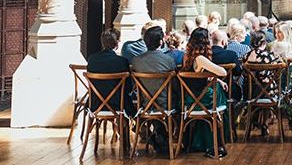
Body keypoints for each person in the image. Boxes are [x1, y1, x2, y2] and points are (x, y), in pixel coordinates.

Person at [180, 28, 230, 157]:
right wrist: (219, 78)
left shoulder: (186, 56)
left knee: (217, 87)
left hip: (189, 98)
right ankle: (219, 140)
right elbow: (223, 72)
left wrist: (217, 81)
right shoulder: (200, 58)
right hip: (201, 100)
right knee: (220, 95)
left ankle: (200, 140)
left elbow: (198, 75)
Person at [130, 25, 178, 154]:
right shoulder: (169, 61)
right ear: (161, 42)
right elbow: (175, 86)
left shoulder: (136, 62)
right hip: (166, 104)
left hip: (144, 105)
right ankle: (166, 137)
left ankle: (155, 134)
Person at [86, 28, 134, 116]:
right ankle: (126, 128)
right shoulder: (122, 61)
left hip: (95, 103)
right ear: (117, 43)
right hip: (118, 104)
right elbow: (128, 88)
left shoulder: (92, 59)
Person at [244, 30, 282, 136]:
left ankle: (255, 121)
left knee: (260, 86)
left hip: (250, 93)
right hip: (268, 94)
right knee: (268, 85)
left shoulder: (246, 56)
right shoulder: (269, 56)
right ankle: (264, 123)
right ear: (264, 42)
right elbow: (281, 68)